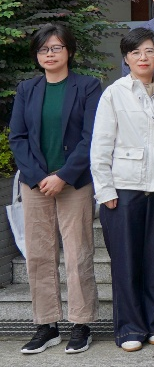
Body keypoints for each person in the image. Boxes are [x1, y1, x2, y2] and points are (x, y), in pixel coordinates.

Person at [10, 24, 102, 355]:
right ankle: (46, 325)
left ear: (69, 51)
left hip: (74, 182)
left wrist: (63, 175)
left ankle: (81, 324)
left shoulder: (88, 86)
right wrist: (37, 177)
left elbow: (91, 136)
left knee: (78, 253)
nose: (49, 54)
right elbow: (17, 137)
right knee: (38, 254)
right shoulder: (27, 89)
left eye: (56, 48)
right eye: (43, 49)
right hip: (35, 184)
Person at [90, 27, 154, 352]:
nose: (143, 57)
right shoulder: (114, 93)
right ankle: (129, 328)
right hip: (123, 191)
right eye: (135, 52)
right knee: (125, 263)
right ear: (126, 58)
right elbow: (100, 146)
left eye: (149, 51)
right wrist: (105, 190)